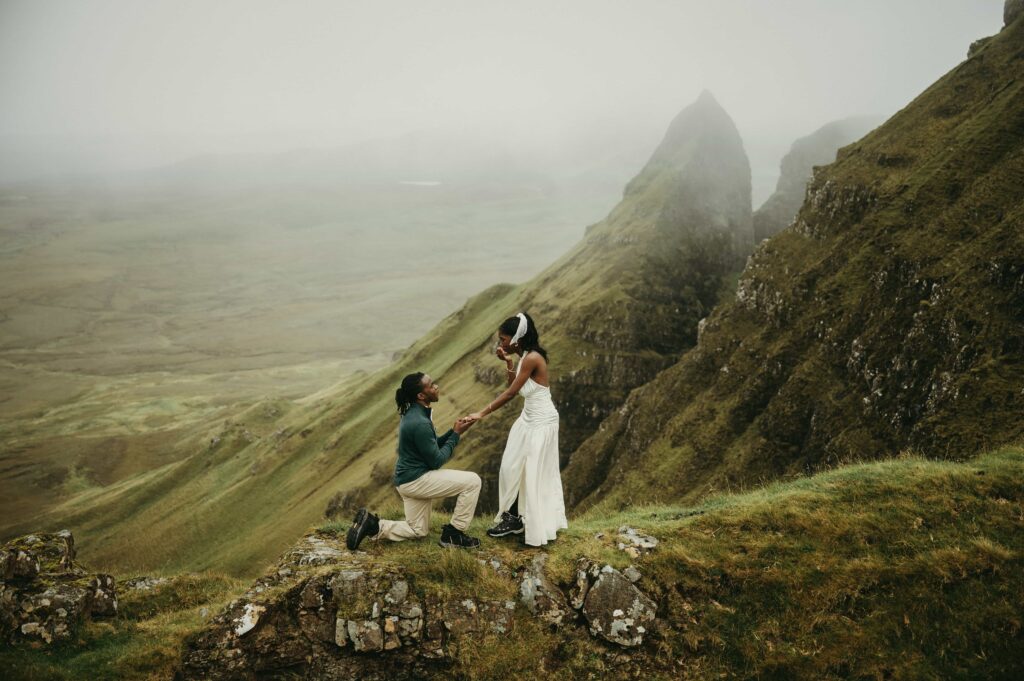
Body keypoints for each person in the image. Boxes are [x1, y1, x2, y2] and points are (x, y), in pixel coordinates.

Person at [346, 372, 481, 550]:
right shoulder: (420, 422)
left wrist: (454, 431)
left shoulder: (414, 414)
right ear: (421, 395)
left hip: (407, 481)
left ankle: (373, 526)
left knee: (418, 530)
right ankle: (454, 535)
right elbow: (436, 461)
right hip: (416, 481)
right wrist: (455, 436)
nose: (436, 387)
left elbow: (429, 447)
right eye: (431, 385)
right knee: (472, 482)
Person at [465, 312, 567, 546]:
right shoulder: (523, 357)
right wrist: (509, 363)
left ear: (516, 338)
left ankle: (517, 520)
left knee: (531, 472)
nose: (500, 344)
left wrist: (481, 413)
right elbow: (515, 385)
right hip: (528, 418)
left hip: (542, 421)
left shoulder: (532, 358)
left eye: (503, 339)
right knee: (510, 466)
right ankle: (514, 517)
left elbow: (511, 393)